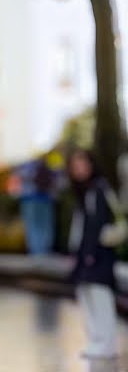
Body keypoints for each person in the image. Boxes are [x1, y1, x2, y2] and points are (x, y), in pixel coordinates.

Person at [68, 149, 121, 360]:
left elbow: (98, 223)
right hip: (86, 254)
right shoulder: (83, 192)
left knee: (100, 296)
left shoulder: (98, 189)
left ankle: (106, 343)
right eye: (75, 166)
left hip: (99, 254)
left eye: (82, 164)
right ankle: (96, 340)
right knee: (86, 294)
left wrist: (90, 253)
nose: (79, 169)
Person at [21, 157, 57, 256]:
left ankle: (37, 252)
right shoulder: (47, 162)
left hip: (32, 199)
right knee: (43, 226)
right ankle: (42, 251)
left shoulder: (24, 162)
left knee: (35, 227)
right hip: (44, 199)